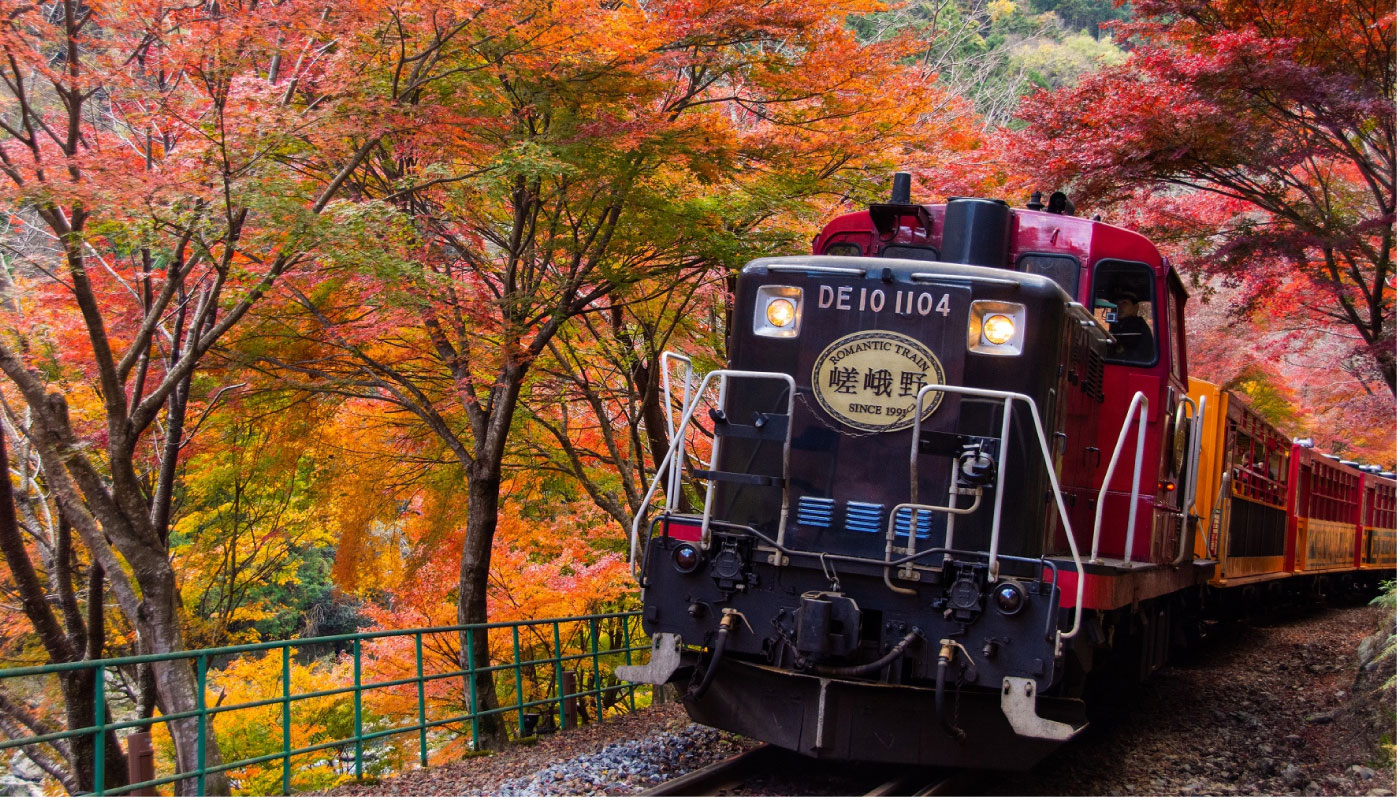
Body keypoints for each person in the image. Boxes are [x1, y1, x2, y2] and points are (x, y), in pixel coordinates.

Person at [1108, 289, 1154, 362]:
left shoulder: (1137, 326)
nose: (1119, 307)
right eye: (1117, 304)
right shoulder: (1119, 324)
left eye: (1124, 303)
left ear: (1135, 308)